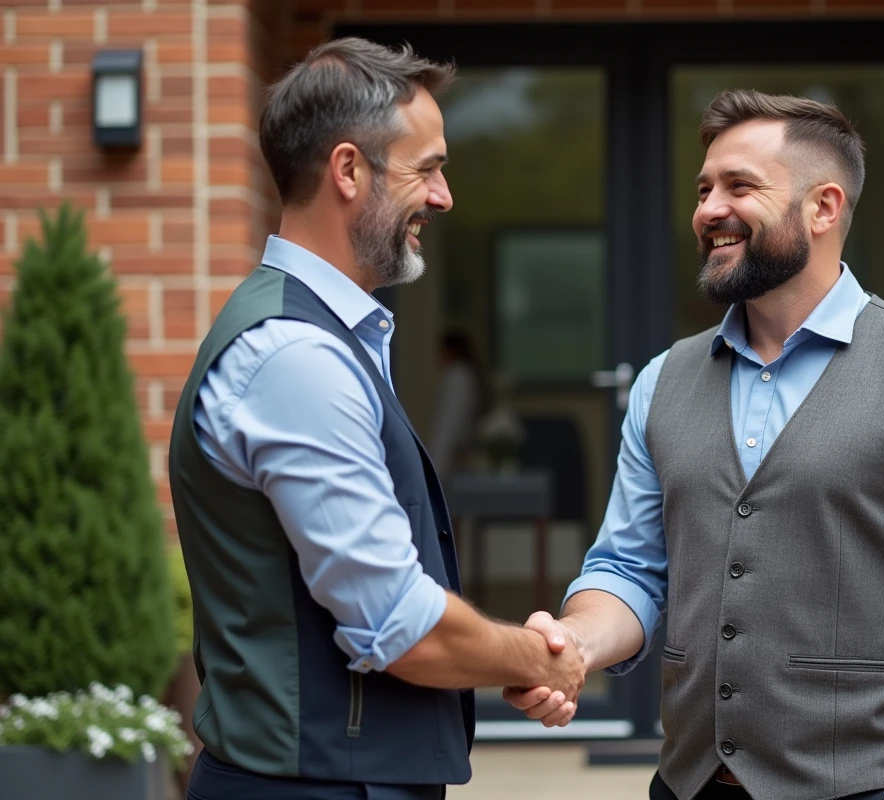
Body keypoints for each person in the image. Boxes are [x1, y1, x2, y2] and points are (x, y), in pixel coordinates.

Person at [505, 89, 884, 800]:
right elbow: (629, 569)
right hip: (688, 785)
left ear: (823, 208)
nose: (708, 209)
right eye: (703, 189)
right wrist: (573, 645)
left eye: (739, 186)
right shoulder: (662, 380)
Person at [167, 37, 583, 800]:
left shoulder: (326, 338)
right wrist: (537, 658)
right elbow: (400, 626)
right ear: (349, 170)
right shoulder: (296, 357)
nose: (444, 196)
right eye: (426, 168)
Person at [428, 329, 484, 477]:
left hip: (451, 460)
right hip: (454, 457)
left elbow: (449, 422)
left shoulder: (457, 377)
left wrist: (437, 463)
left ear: (452, 351)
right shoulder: (462, 375)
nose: (438, 356)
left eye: (441, 351)